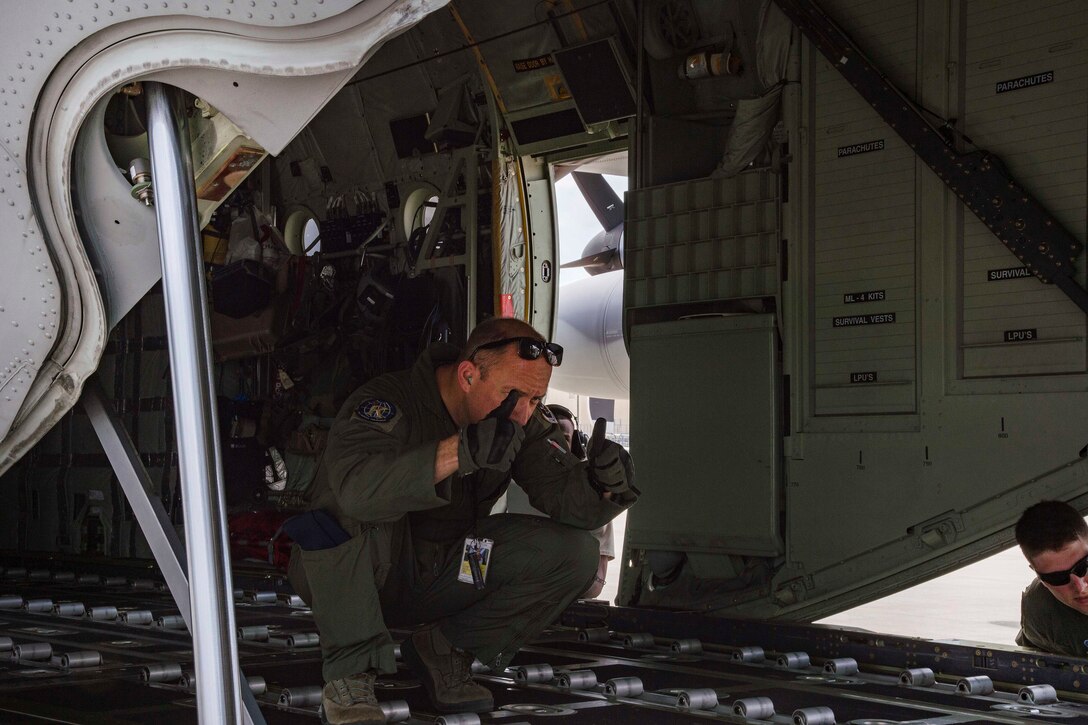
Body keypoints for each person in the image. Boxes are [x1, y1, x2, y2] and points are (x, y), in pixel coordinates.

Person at [288, 317, 637, 724]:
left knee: (574, 554)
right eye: (513, 395)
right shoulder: (387, 403)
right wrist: (458, 452)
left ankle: (443, 651)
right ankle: (349, 677)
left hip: (446, 571)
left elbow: (565, 497)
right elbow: (356, 492)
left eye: (536, 400)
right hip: (368, 578)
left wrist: (603, 485)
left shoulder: (519, 420)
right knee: (345, 509)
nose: (525, 414)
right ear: (468, 375)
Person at [543, 404, 615, 598]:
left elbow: (598, 581)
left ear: (575, 444)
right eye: (549, 437)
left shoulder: (593, 494)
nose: (554, 445)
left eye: (564, 438)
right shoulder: (511, 482)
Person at [1013, 500, 1088, 657]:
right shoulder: (1041, 610)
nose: (1080, 588)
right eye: (1058, 578)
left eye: (1083, 566)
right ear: (1040, 578)